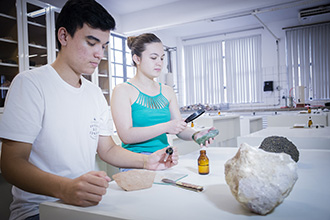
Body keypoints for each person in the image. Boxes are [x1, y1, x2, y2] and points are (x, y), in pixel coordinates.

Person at [0, 1, 178, 220]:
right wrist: (65, 188)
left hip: (84, 206)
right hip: (40, 210)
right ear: (64, 36)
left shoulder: (94, 94)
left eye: (103, 46)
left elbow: (108, 150)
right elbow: (11, 164)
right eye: (91, 43)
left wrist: (146, 161)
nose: (99, 54)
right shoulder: (31, 84)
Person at [111, 33, 216, 163]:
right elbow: (126, 136)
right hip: (136, 161)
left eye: (161, 58)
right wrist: (166, 127)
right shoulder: (122, 90)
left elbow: (179, 129)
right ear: (137, 59)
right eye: (153, 58)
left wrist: (195, 135)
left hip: (165, 159)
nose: (159, 63)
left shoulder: (167, 91)